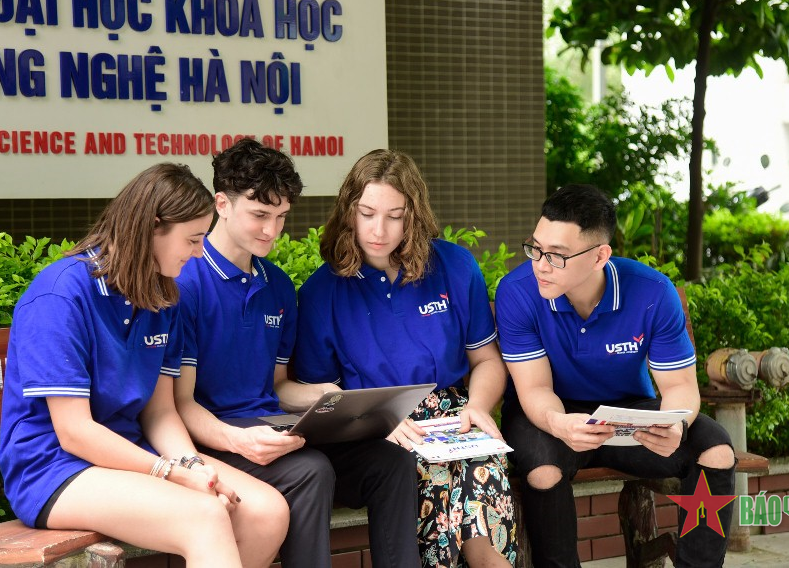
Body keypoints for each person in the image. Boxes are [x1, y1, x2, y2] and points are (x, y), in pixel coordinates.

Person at [0, 163, 288, 568]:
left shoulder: (161, 294)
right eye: (192, 239)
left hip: (133, 454)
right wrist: (172, 473)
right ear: (153, 227)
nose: (199, 251)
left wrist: (194, 468)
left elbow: (161, 411)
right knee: (204, 516)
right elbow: (74, 433)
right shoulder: (60, 294)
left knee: (266, 511)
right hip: (54, 469)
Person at [295, 149, 518, 568]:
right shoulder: (321, 292)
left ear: (413, 214)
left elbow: (486, 360)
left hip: (457, 419)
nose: (379, 230)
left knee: (481, 474)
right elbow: (320, 397)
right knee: (428, 476)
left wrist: (477, 407)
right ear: (349, 211)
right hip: (382, 429)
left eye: (395, 215)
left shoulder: (454, 264)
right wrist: (377, 419)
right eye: (367, 213)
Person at [495, 183, 736, 568]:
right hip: (549, 416)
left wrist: (675, 423)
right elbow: (535, 387)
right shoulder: (518, 292)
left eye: (556, 256)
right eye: (535, 248)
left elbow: (679, 387)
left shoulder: (652, 292)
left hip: (627, 413)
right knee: (542, 470)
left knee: (716, 449)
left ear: (599, 256)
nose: (540, 264)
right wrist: (559, 424)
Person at [172, 138, 343, 568]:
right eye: (260, 215)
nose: (272, 230)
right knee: (312, 470)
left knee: (328, 461)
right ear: (222, 204)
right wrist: (241, 439)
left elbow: (279, 388)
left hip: (264, 432)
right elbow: (179, 405)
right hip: (207, 438)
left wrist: (329, 397)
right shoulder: (186, 282)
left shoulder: (279, 285)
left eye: (281, 217)